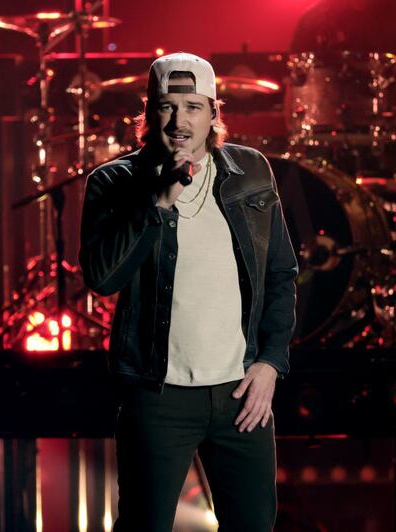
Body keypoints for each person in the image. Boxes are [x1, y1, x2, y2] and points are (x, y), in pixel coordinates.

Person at [78, 52, 298, 531]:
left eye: (193, 107)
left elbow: (282, 274)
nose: (179, 121)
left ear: (214, 113)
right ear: (149, 112)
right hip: (159, 395)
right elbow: (102, 277)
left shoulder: (252, 172)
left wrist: (270, 363)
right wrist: (156, 204)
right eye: (166, 107)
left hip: (241, 394)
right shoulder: (114, 182)